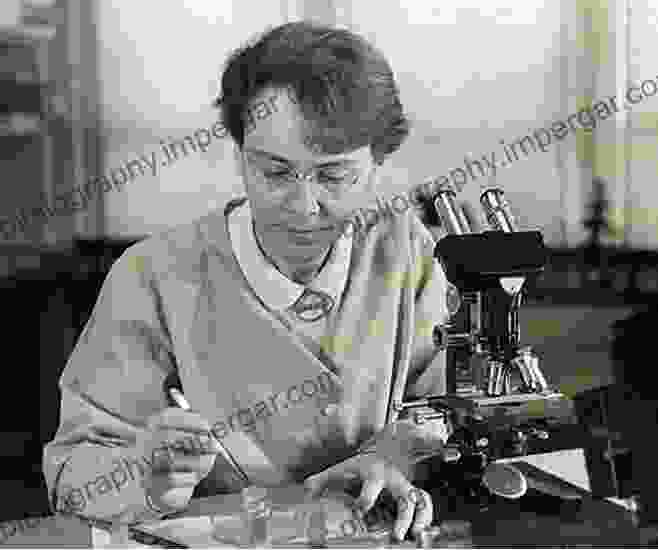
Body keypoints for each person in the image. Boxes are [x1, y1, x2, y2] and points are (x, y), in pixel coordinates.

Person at [43, 20, 462, 541]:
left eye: (334, 176)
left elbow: (449, 412)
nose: (304, 208)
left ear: (378, 163)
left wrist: (391, 455)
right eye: (275, 173)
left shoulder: (406, 251)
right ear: (240, 151)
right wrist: (144, 478)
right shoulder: (153, 277)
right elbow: (70, 478)